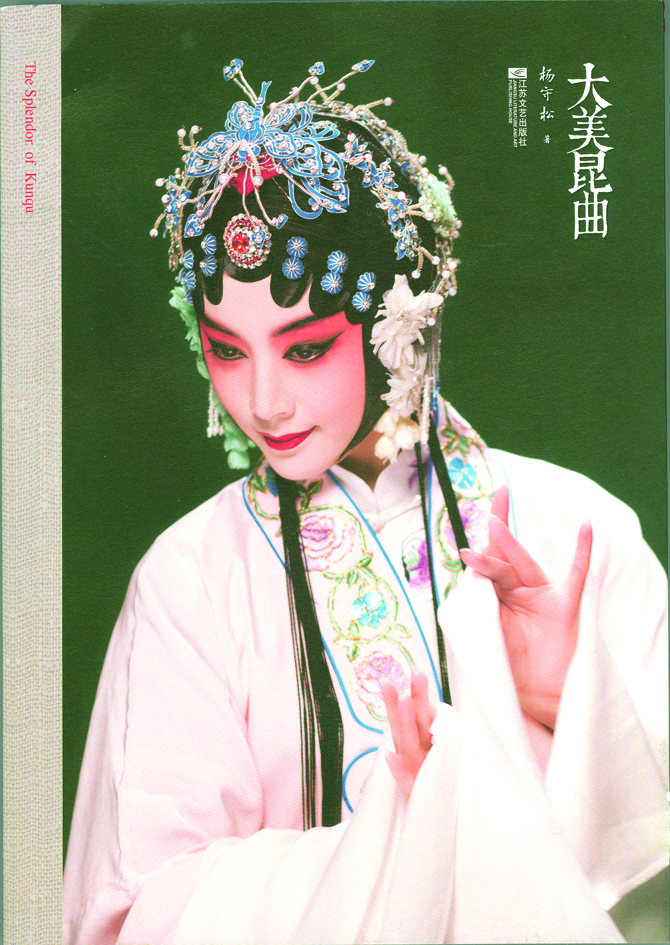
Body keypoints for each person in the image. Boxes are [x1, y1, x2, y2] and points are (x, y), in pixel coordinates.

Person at [63, 58, 668, 945]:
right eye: (227, 349)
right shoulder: (188, 580)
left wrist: (568, 698)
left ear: (402, 317)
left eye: (305, 348)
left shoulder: (577, 527)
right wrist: (395, 838)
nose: (263, 400)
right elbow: (137, 907)